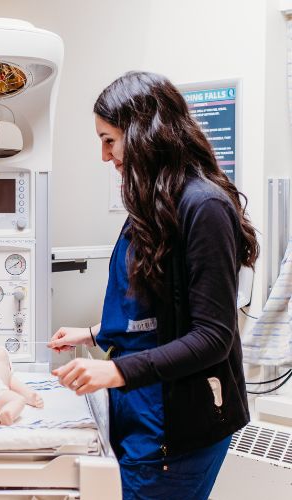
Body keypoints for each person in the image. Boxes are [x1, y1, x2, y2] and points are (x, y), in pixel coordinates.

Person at [48, 71, 259, 500]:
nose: (104, 156)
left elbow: (212, 337)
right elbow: (155, 311)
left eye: (110, 140)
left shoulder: (206, 208)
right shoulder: (155, 201)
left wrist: (116, 369)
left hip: (176, 426)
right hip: (141, 409)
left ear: (145, 131)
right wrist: (94, 334)